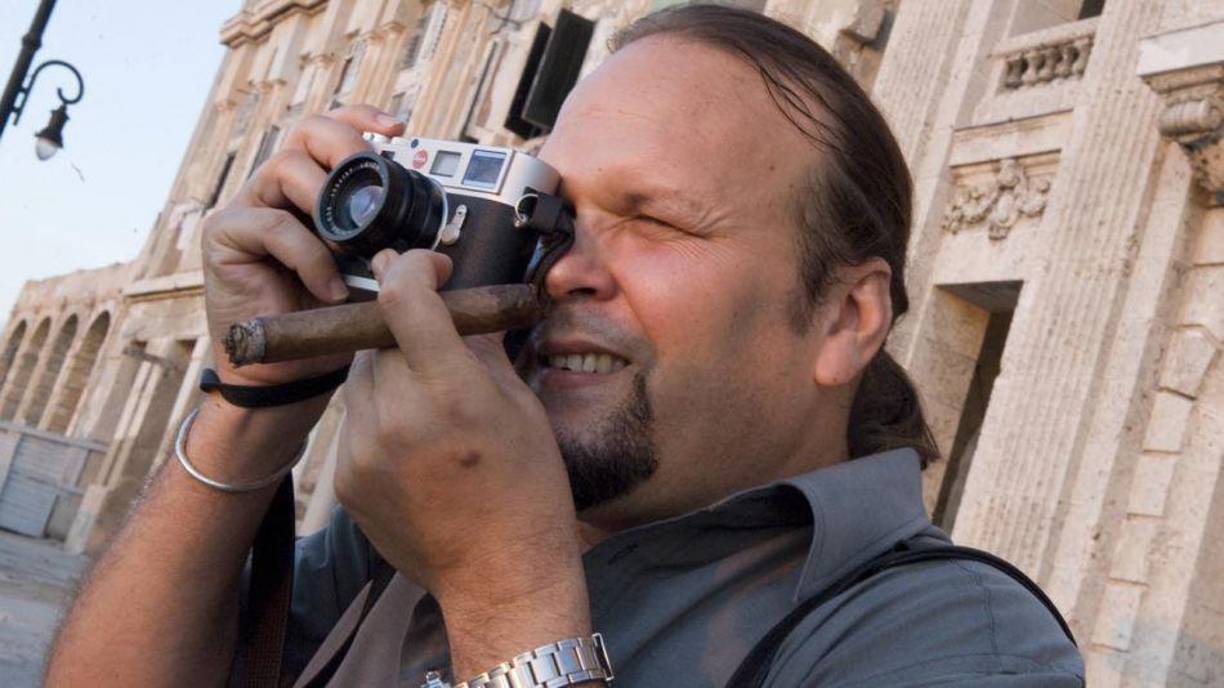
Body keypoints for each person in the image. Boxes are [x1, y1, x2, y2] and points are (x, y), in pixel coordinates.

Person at [45, 5, 1084, 687]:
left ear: (844, 320)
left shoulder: (954, 640)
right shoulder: (411, 532)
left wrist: (501, 583)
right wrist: (254, 400)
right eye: (548, 208)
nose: (558, 267)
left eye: (656, 220)